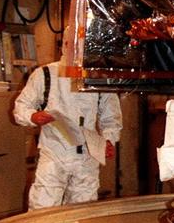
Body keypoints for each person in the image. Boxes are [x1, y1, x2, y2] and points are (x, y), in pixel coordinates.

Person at [14, 56, 122, 209]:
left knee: (82, 212)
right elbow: (21, 107)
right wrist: (33, 116)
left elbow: (111, 118)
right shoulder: (45, 74)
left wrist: (109, 140)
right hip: (54, 152)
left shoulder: (99, 77)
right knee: (43, 209)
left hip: (87, 155)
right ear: (65, 44)